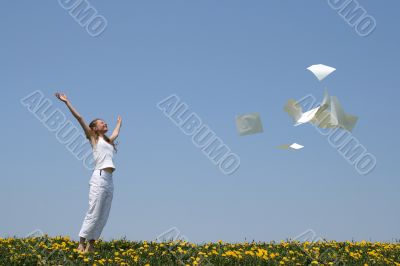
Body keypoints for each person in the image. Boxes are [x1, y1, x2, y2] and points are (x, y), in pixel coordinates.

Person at [55, 92, 122, 253]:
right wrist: (66, 102)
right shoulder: (93, 138)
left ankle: (91, 245)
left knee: (103, 215)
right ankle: (81, 242)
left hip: (109, 180)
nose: (105, 124)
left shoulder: (107, 141)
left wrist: (119, 123)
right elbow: (79, 118)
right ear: (94, 128)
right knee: (93, 211)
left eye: (105, 122)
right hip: (98, 177)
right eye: (101, 123)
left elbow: (115, 134)